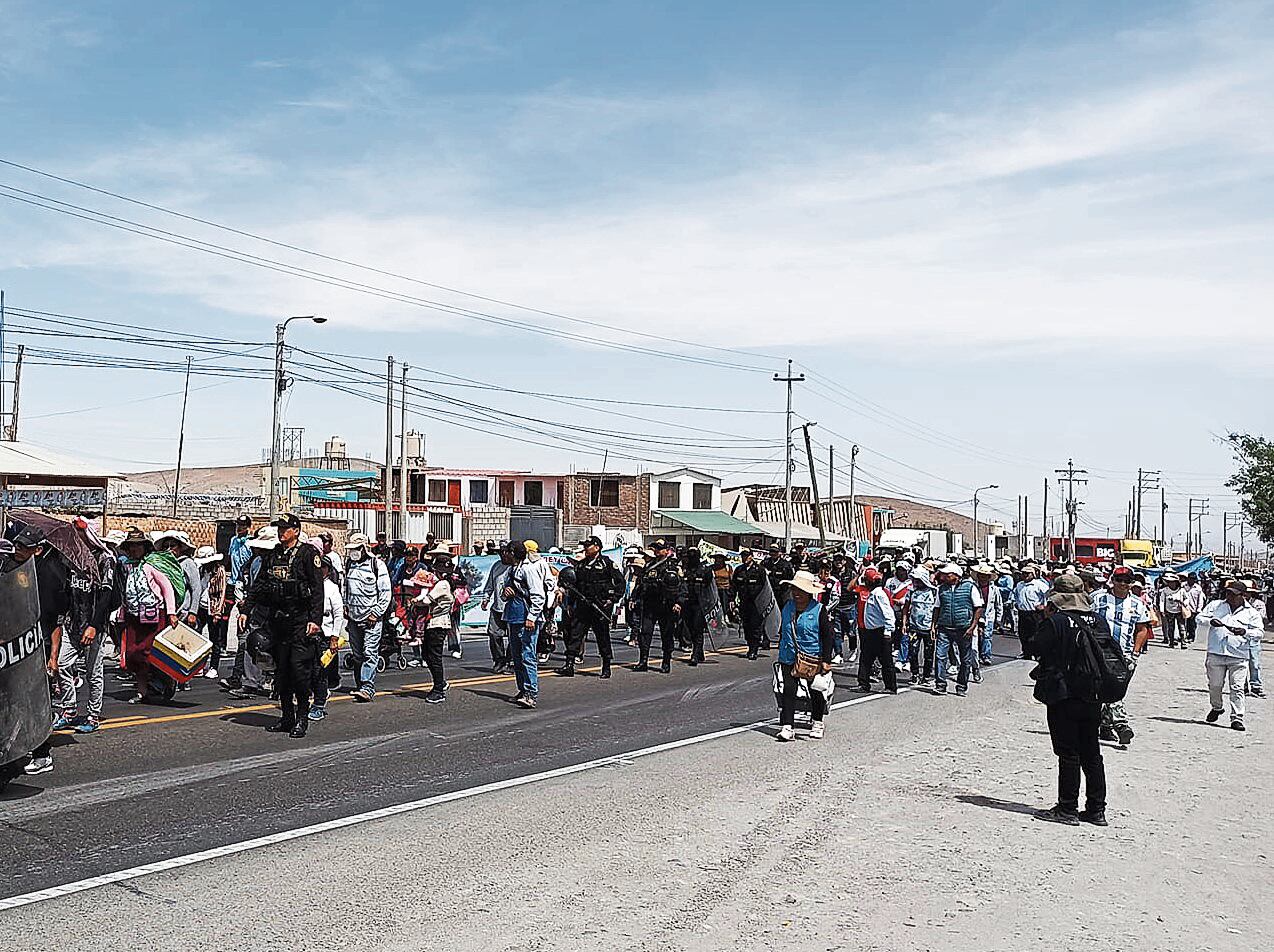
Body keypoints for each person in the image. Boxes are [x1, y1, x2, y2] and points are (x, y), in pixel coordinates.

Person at [1032, 574, 1112, 826]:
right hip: (1093, 694)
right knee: (1092, 752)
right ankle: (1096, 809)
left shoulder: (1056, 621)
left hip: (1063, 694)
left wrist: (1043, 619)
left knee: (1068, 752)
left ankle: (1067, 808)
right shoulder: (1098, 620)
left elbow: (1036, 648)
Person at [247, 513, 324, 737]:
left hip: (300, 621)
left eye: (286, 529)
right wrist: (246, 610)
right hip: (278, 621)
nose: (282, 533)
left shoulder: (307, 554)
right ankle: (286, 716)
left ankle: (302, 717)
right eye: (279, 529)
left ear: (296, 530)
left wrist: (315, 620)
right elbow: (259, 584)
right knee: (281, 672)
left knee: (299, 671)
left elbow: (317, 589)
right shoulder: (273, 555)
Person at [50, 519, 121, 736]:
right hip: (73, 623)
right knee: (62, 664)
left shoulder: (105, 559)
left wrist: (93, 625)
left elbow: (106, 597)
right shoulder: (72, 559)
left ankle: (93, 714)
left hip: (94, 625)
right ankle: (69, 709)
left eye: (80, 534)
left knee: (93, 672)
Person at [1091, 566, 1153, 746]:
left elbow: (1142, 629)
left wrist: (1135, 652)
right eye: (1119, 580)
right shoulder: (1098, 598)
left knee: (1114, 689)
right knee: (1111, 689)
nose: (1123, 584)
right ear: (1113, 580)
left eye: (1127, 581)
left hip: (1124, 654)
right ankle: (1121, 725)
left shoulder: (1137, 604)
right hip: (1099, 652)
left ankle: (1104, 726)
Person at [117, 527, 179, 705]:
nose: (135, 549)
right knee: (132, 655)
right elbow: (124, 592)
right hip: (133, 617)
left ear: (145, 547)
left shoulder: (150, 566)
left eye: (138, 546)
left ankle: (163, 681)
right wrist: (121, 613)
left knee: (149, 653)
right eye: (132, 546)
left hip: (154, 616)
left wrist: (171, 612)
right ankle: (142, 691)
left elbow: (166, 588)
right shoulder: (126, 567)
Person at [776, 571, 836, 741]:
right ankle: (788, 726)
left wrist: (826, 660)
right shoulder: (787, 607)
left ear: (809, 592)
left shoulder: (819, 610)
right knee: (788, 690)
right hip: (789, 655)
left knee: (815, 690)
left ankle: (817, 722)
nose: (797, 594)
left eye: (801, 591)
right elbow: (783, 630)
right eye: (794, 590)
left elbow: (827, 636)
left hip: (811, 657)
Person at [561, 536, 624, 678]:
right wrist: (571, 604)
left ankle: (606, 666)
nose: (585, 548)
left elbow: (620, 583)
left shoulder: (607, 564)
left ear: (597, 547)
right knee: (575, 635)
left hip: (600, 606)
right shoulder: (581, 565)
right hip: (583, 605)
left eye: (588, 546)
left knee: (602, 636)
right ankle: (569, 664)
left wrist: (612, 599)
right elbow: (574, 586)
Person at [1204, 579, 1262, 731]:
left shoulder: (1252, 613)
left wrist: (1245, 632)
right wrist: (1211, 621)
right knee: (1215, 685)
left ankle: (1237, 717)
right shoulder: (1215, 605)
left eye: (1233, 594)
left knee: (1237, 687)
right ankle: (1217, 707)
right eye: (1228, 593)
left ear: (1243, 595)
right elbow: (1199, 618)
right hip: (1216, 652)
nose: (1229, 596)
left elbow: (1259, 633)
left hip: (1239, 655)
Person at [341, 533, 392, 701]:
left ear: (364, 548)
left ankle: (367, 687)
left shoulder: (377, 565)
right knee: (357, 654)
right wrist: (345, 606)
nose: (353, 552)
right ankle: (360, 685)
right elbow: (345, 588)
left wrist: (376, 613)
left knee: (370, 652)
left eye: (356, 549)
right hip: (354, 617)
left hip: (371, 618)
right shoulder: (349, 564)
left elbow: (385, 593)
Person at [633, 539, 687, 673]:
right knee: (645, 633)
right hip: (650, 605)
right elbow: (641, 583)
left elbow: (682, 588)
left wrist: (678, 602)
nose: (657, 550)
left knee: (667, 634)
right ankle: (643, 661)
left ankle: (666, 661)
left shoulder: (673, 567)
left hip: (666, 605)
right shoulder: (649, 565)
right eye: (655, 548)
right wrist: (635, 598)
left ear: (666, 550)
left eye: (659, 548)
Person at [502, 540, 545, 708]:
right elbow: (505, 593)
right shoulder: (512, 570)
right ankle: (522, 689)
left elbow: (538, 595)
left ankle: (531, 693)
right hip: (513, 617)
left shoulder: (529, 569)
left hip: (526, 618)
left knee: (528, 656)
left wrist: (532, 617)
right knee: (517, 657)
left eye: (508, 552)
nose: (505, 554)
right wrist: (506, 593)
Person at [933, 563, 983, 696]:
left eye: (947, 575)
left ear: (956, 576)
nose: (944, 577)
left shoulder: (970, 588)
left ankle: (961, 685)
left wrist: (972, 627)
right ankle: (940, 685)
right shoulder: (941, 589)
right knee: (940, 656)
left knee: (965, 659)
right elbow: (937, 608)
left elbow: (978, 607)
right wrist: (934, 625)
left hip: (964, 628)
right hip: (945, 627)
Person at [309, 555, 345, 722]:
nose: (320, 569)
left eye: (323, 567)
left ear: (328, 570)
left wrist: (334, 638)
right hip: (309, 632)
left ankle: (319, 704)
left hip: (325, 633)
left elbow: (338, 614)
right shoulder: (309, 586)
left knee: (320, 671)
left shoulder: (331, 588)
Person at [410, 566, 453, 704]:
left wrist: (416, 601)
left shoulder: (442, 584)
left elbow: (427, 600)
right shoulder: (438, 583)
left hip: (438, 624)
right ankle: (441, 682)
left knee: (434, 657)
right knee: (426, 655)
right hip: (432, 624)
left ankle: (439, 690)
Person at [856, 568, 896, 694]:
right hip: (870, 632)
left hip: (880, 632)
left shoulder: (879, 594)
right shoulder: (873, 593)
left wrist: (888, 632)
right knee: (865, 659)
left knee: (886, 661)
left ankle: (890, 686)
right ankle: (863, 684)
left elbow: (888, 613)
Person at [194, 545, 228, 680]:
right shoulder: (201, 569)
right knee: (198, 637)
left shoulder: (219, 571)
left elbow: (222, 592)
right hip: (201, 607)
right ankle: (199, 666)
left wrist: (218, 612)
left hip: (213, 608)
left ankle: (214, 667)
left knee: (215, 639)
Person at [481, 544, 514, 673]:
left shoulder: (516, 567)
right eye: (500, 552)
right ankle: (499, 660)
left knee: (513, 637)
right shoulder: (496, 566)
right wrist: (486, 598)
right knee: (494, 634)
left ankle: (510, 661)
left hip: (511, 608)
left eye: (504, 552)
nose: (502, 555)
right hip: (497, 607)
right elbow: (490, 584)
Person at [731, 549, 769, 659]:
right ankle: (750, 645)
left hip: (756, 603)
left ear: (751, 556)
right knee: (746, 626)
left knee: (755, 626)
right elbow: (734, 586)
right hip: (744, 602)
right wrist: (732, 599)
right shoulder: (739, 570)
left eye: (747, 556)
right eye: (743, 556)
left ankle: (754, 649)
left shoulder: (759, 570)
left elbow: (765, 587)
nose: (744, 558)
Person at [903, 566, 937, 684]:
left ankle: (926, 676)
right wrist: (904, 623)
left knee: (928, 654)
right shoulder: (911, 592)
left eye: (918, 579)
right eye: (914, 579)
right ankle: (915, 674)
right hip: (914, 628)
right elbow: (906, 608)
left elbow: (937, 610)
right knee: (913, 652)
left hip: (928, 629)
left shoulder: (934, 592)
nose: (916, 582)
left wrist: (934, 626)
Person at [969, 563, 1003, 681]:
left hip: (989, 616)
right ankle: (976, 656)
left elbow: (998, 604)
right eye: (981, 575)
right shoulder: (973, 587)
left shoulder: (994, 589)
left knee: (987, 636)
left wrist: (999, 618)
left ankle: (986, 655)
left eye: (985, 576)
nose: (983, 578)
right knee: (976, 637)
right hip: (975, 616)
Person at [1013, 563, 1050, 658]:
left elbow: (1048, 595)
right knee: (1023, 634)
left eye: (1028, 573)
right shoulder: (1019, 585)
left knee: (1035, 633)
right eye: (1024, 573)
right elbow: (1016, 595)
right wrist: (1017, 604)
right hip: (1023, 612)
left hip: (1035, 613)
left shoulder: (1039, 585)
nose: (1025, 575)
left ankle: (1036, 653)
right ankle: (1026, 652)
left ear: (1033, 574)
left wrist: (1044, 606)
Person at [1157, 573, 1189, 649]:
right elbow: (1162, 600)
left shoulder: (1181, 590)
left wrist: (1183, 603)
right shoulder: (1165, 590)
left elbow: (1187, 598)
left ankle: (1183, 642)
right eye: (1169, 582)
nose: (1171, 583)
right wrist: (1162, 610)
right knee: (1171, 628)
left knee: (1181, 627)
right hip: (1169, 611)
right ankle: (1171, 642)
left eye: (1172, 582)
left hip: (1179, 611)